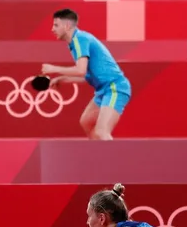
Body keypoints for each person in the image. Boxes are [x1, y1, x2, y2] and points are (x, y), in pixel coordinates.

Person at [41, 8, 132, 141]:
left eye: (56, 25)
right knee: (87, 122)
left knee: (102, 131)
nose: (52, 29)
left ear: (67, 26)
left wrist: (53, 68)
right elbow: (87, 75)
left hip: (115, 87)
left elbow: (80, 70)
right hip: (103, 90)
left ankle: (115, 160)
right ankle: (99, 155)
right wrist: (63, 79)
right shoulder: (74, 43)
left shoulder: (80, 39)